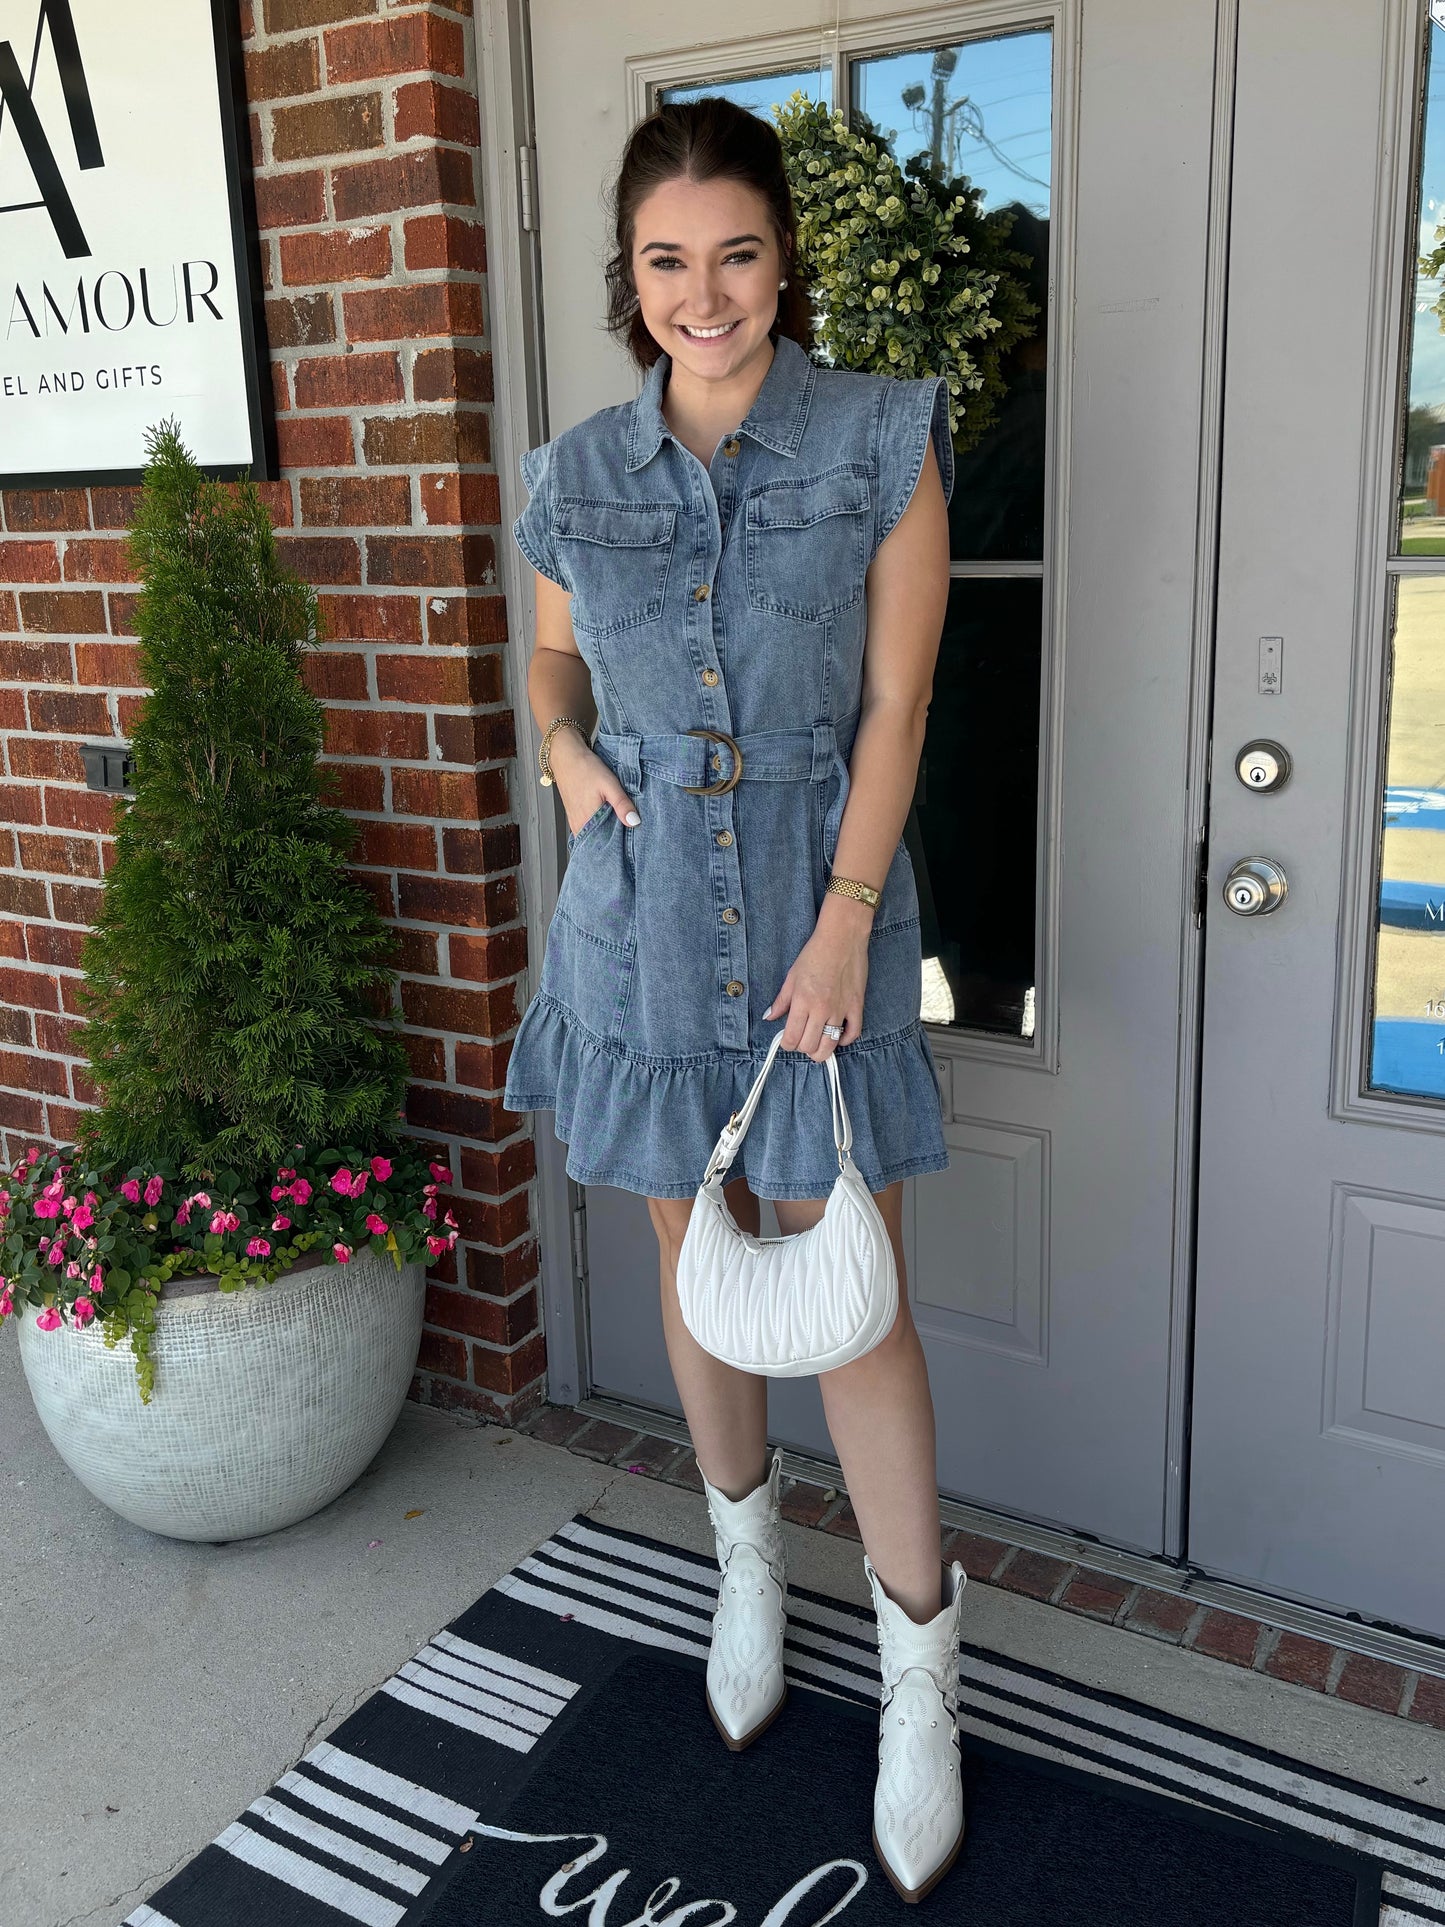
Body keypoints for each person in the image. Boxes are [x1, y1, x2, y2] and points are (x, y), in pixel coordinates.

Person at [505, 95, 966, 1903]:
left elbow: (897, 707)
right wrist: (564, 754)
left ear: (784, 260)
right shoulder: (575, 474)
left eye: (737, 254)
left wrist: (846, 923)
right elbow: (550, 655)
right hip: (632, 919)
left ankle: (921, 1677)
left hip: (813, 904)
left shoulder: (878, 437)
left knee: (852, 1298)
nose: (704, 296)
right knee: (696, 1264)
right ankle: (745, 1573)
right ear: (628, 276)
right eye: (667, 261)